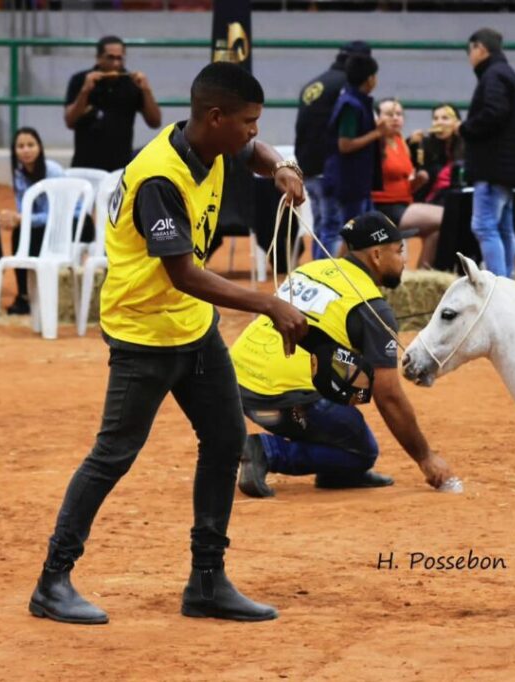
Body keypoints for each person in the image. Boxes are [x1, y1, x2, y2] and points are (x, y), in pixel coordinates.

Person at [29, 62, 310, 626]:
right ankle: (52, 581)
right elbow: (183, 273)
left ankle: (207, 581)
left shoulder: (207, 142)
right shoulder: (161, 176)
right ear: (215, 117)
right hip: (144, 332)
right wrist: (269, 303)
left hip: (190, 326)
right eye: (249, 122)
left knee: (226, 437)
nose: (255, 131)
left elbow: (252, 153)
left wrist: (281, 165)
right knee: (113, 455)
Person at [231, 210, 455, 497]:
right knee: (362, 452)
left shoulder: (310, 269)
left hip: (240, 391)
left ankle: (335, 472)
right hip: (286, 405)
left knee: (349, 382)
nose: (404, 260)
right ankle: (267, 451)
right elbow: (389, 396)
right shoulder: (372, 306)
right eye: (399, 251)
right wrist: (426, 457)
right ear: (376, 255)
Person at [448, 28, 515, 277]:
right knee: (504, 228)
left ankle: (498, 284)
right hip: (506, 169)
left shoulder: (493, 77)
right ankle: (508, 280)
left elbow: (494, 113)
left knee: (484, 227)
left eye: (470, 50)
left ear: (480, 48)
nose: (469, 56)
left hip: (492, 168)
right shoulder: (510, 76)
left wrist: (464, 127)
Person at [295, 41, 372, 263]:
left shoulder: (314, 83)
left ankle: (317, 277)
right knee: (335, 229)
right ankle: (326, 283)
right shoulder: (346, 87)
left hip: (308, 168)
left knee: (322, 229)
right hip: (330, 170)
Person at [0, 127, 71, 315]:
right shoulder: (19, 173)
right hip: (43, 223)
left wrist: (21, 219)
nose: (26, 150)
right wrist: (15, 218)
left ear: (40, 147)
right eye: (20, 146)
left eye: (31, 145)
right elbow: (25, 210)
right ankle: (25, 295)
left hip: (72, 222)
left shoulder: (52, 171)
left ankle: (38, 295)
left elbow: (56, 214)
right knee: (20, 232)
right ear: (14, 151)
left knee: (27, 231)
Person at [321, 54, 388, 259]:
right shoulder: (351, 105)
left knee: (356, 232)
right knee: (351, 232)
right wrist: (377, 133)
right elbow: (345, 144)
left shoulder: (357, 102)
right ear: (369, 79)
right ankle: (336, 272)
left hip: (356, 181)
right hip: (348, 181)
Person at [64, 35, 163, 171]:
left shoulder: (132, 83)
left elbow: (155, 122)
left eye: (120, 58)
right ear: (98, 58)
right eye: (110, 57)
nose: (116, 63)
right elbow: (70, 121)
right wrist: (85, 91)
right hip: (84, 165)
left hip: (120, 166)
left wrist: (146, 90)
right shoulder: (80, 80)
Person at [372, 98, 442, 268]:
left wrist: (418, 182)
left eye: (398, 114)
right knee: (447, 217)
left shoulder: (400, 141)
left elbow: (404, 186)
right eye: (389, 114)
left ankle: (423, 279)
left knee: (438, 230)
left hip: (403, 203)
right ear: (377, 118)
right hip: (384, 206)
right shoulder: (375, 143)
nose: (395, 118)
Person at [408, 102, 465, 206]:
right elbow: (415, 168)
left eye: (445, 118)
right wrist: (411, 144)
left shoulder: (465, 144)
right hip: (428, 200)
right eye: (435, 118)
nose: (439, 122)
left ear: (457, 122)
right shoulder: (425, 143)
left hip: (456, 199)